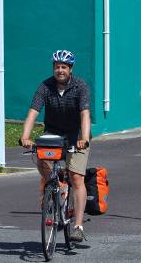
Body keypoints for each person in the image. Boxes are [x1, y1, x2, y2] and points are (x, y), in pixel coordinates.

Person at [20, 49, 91, 243]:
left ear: (70, 69)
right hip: (52, 135)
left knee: (76, 178)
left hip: (76, 136)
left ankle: (77, 226)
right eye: (57, 66)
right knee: (43, 161)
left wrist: (84, 138)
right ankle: (55, 186)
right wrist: (25, 136)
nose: (60, 70)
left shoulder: (80, 86)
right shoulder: (45, 86)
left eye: (64, 67)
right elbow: (33, 112)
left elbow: (84, 113)